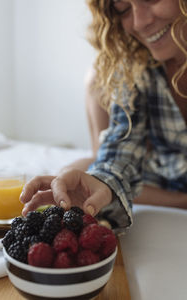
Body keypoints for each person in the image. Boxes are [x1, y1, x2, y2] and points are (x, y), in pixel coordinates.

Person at [20, 0, 187, 232]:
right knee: (78, 171)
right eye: (123, 9)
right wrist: (102, 184)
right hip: (164, 172)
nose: (139, 22)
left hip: (162, 177)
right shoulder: (134, 64)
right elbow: (120, 149)